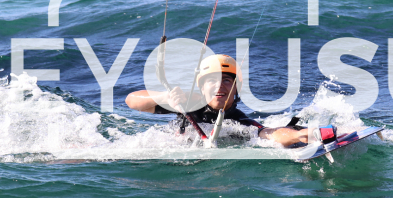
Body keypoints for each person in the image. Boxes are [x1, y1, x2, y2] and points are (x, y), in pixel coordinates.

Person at [125, 54, 337, 148]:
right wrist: (165, 97)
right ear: (201, 87)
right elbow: (131, 101)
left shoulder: (238, 121)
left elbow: (269, 134)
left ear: (236, 89)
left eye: (226, 80)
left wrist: (305, 135)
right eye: (212, 80)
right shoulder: (187, 102)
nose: (219, 86)